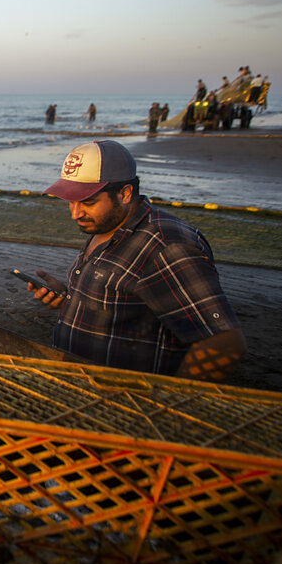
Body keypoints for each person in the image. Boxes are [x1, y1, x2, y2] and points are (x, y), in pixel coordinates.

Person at [20, 139, 246, 382]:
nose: (75, 213)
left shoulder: (165, 246)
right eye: (70, 201)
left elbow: (224, 343)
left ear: (125, 193)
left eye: (88, 202)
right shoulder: (107, 225)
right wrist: (69, 298)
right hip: (84, 385)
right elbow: (121, 300)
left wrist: (169, 406)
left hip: (128, 397)